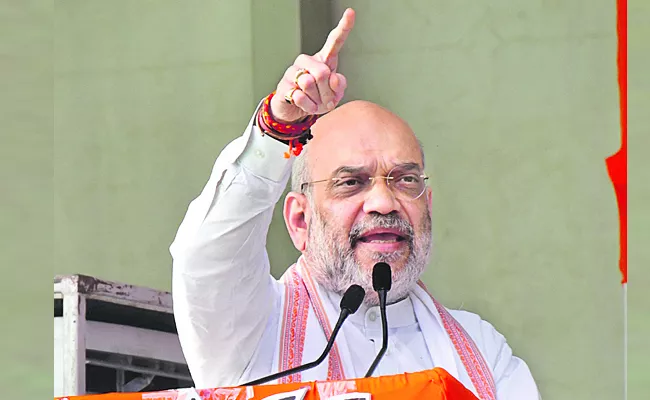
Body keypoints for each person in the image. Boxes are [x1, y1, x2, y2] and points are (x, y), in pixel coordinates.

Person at [171, 8, 539, 399]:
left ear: (427, 205)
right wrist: (280, 126)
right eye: (351, 182)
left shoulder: (481, 348)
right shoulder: (255, 328)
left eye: (405, 179)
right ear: (300, 220)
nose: (384, 201)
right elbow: (207, 256)